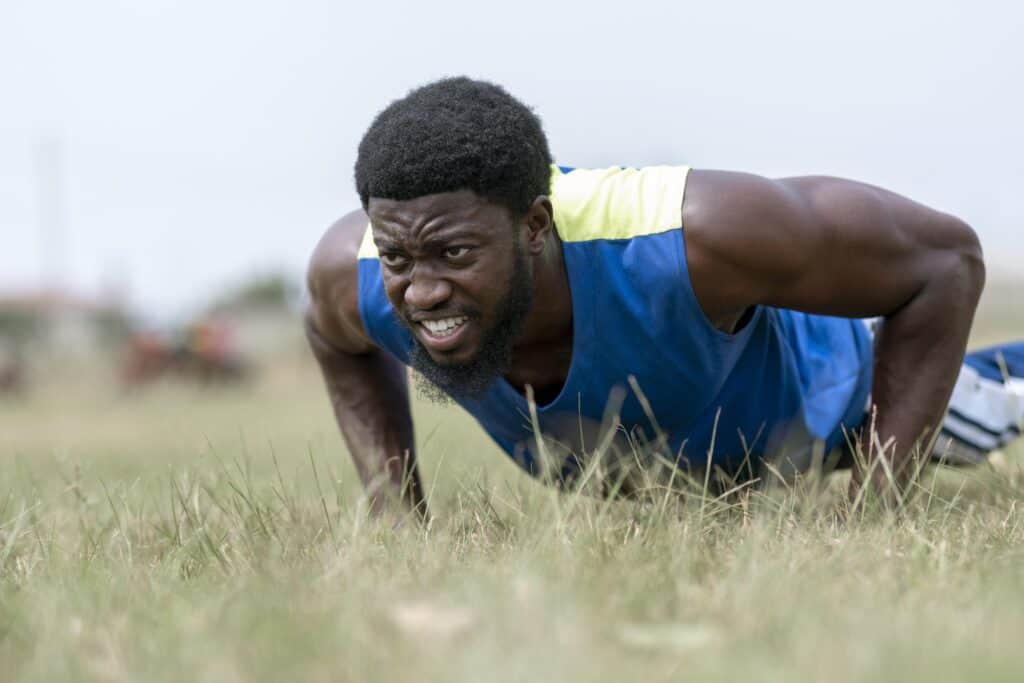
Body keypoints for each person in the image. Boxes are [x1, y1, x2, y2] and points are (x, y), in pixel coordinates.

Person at [305, 77, 1022, 516]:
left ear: (533, 225)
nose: (422, 291)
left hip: (837, 401)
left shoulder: (697, 234)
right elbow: (331, 339)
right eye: (398, 255)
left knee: (1000, 395)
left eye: (454, 254)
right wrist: (398, 517)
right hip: (678, 470)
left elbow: (947, 262)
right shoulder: (362, 277)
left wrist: (874, 508)